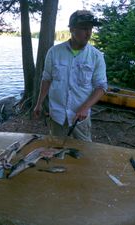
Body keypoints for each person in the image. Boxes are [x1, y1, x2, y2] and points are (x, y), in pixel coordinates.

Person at [33, 10, 107, 142]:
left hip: (81, 119)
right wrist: (38, 104)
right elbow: (47, 79)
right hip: (57, 115)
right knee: (56, 149)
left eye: (90, 28)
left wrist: (85, 108)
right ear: (72, 29)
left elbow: (101, 87)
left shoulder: (96, 56)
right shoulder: (54, 52)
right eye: (84, 28)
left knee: (84, 153)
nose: (88, 33)